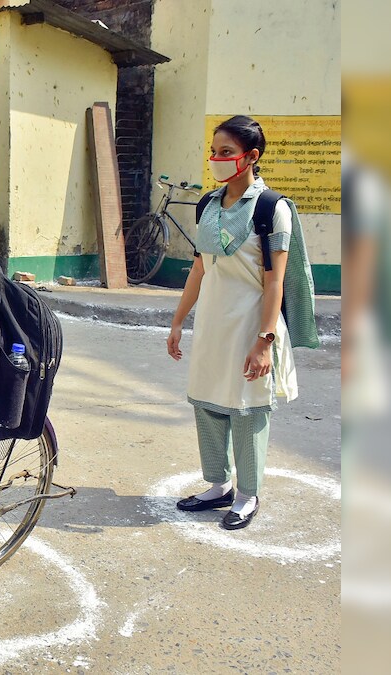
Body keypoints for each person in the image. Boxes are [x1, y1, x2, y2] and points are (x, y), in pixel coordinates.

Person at [167, 115, 299, 530]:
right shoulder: (208, 204)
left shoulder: (271, 209)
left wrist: (265, 339)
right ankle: (219, 485)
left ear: (251, 156)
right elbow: (199, 270)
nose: (217, 159)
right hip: (211, 326)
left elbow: (274, 279)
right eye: (214, 151)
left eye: (227, 152)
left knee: (247, 410)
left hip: (250, 325)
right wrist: (177, 321)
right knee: (207, 404)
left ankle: (247, 494)